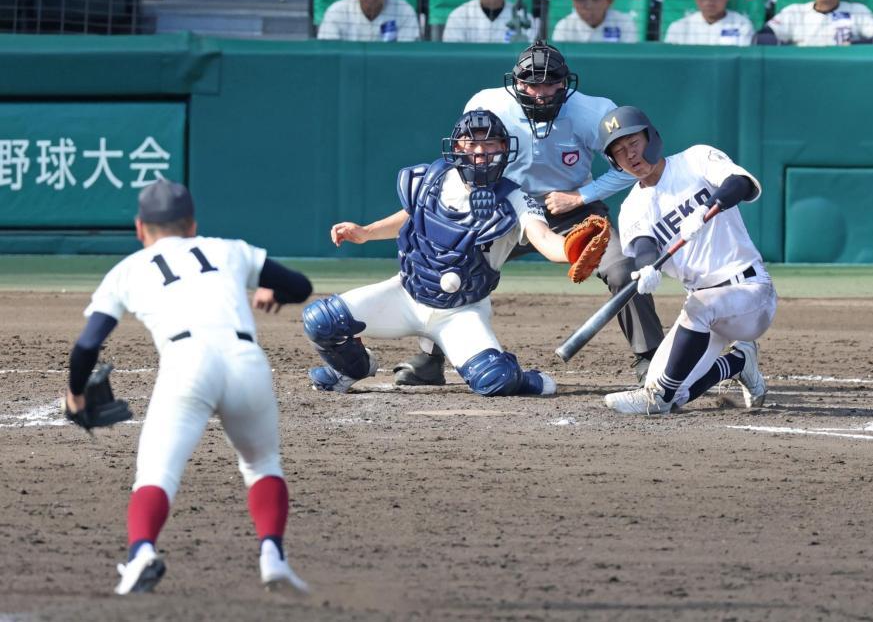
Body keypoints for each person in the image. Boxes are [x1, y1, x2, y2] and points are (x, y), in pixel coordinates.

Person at [65, 179, 313, 594]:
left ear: (139, 228)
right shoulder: (228, 249)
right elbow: (300, 286)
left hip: (187, 364)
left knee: (156, 473)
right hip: (246, 361)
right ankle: (273, 555)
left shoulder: (128, 270)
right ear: (192, 224)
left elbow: (87, 345)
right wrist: (274, 291)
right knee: (262, 465)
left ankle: (141, 553)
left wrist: (75, 394)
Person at [392, 41, 664, 387]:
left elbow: (633, 166)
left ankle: (652, 358)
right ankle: (431, 358)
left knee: (622, 266)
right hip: (501, 208)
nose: (540, 92)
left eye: (549, 83)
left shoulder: (593, 112)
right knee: (446, 259)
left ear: (565, 83)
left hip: (572, 210)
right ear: (516, 82)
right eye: (531, 83)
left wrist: (581, 196)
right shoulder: (487, 105)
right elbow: (464, 160)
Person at [303, 109, 577, 398]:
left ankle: (526, 380)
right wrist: (366, 232)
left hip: (461, 312)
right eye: (471, 144)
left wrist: (572, 249)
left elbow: (543, 238)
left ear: (504, 148)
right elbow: (413, 214)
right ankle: (351, 369)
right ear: (457, 147)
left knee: (495, 380)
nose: (480, 152)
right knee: (321, 321)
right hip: (406, 296)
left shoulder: (515, 198)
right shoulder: (430, 178)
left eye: (489, 144)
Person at [596, 106, 777, 415]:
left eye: (633, 143)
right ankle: (739, 362)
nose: (630, 155)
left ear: (651, 138)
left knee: (665, 385)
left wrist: (707, 207)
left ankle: (657, 398)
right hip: (704, 308)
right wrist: (647, 268)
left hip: (750, 292)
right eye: (620, 151)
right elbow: (644, 246)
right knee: (677, 390)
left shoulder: (695, 159)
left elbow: (741, 183)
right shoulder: (632, 208)